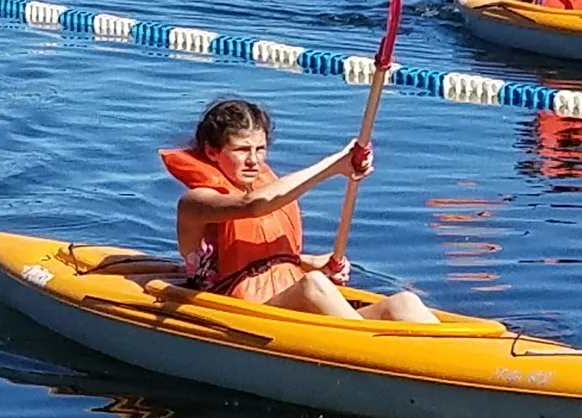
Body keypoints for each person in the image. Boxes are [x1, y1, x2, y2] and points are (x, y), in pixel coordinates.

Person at [161, 98, 436, 322]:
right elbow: (252, 206)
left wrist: (311, 262)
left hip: (289, 306)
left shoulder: (265, 188)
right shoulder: (196, 203)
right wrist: (334, 166)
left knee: (404, 303)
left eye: (260, 149)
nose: (254, 160)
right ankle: (378, 356)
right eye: (242, 150)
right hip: (239, 312)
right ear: (211, 152)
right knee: (313, 285)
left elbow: (258, 254)